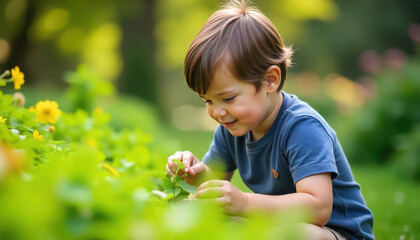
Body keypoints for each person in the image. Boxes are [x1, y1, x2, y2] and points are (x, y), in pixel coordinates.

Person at [165, 1, 374, 239]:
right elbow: (214, 185)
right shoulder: (232, 127)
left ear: (270, 81)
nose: (217, 112)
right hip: (275, 225)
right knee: (197, 212)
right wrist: (194, 174)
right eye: (208, 101)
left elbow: (319, 209)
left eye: (228, 98)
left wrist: (244, 203)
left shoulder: (302, 127)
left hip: (334, 232)